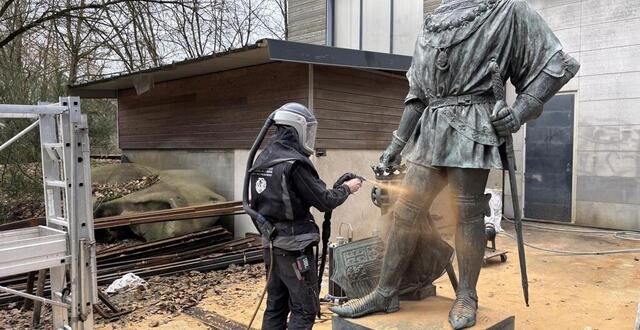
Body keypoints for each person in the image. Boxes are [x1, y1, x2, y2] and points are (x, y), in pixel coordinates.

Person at [329, 0, 580, 329]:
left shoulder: (507, 10)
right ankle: (385, 291)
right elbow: (418, 94)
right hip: (431, 130)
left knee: (468, 212)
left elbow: (556, 66)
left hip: (474, 124)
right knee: (405, 209)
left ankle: (466, 294)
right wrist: (396, 144)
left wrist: (518, 113)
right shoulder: (432, 22)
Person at [248, 103, 362, 330]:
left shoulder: (263, 159)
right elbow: (324, 201)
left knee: (276, 306)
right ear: (296, 128)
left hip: (271, 245)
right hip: (294, 249)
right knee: (304, 309)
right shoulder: (295, 163)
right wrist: (347, 188)